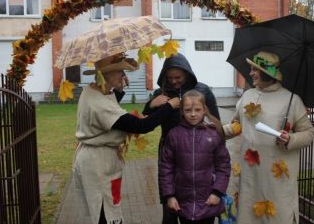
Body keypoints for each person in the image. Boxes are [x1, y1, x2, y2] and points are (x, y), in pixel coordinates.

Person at [72, 53, 180, 224]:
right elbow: (140, 126)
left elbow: (111, 110)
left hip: (95, 159)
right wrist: (170, 105)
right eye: (119, 71)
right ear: (104, 75)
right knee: (105, 213)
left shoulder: (93, 90)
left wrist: (119, 91)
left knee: (106, 208)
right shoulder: (99, 104)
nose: (123, 75)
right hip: (98, 164)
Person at [224, 51, 314, 224]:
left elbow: (309, 133)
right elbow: (237, 125)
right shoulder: (247, 96)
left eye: (255, 69)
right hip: (250, 175)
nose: (250, 73)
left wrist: (291, 139)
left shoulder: (292, 100)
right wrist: (214, 132)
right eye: (251, 69)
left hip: (277, 181)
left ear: (268, 73)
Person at [142, 53, 220, 224]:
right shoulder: (160, 93)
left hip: (199, 155)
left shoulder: (203, 90)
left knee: (197, 204)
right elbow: (147, 122)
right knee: (169, 207)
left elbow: (217, 124)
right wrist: (151, 105)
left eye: (178, 77)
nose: (174, 81)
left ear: (187, 73)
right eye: (170, 78)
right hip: (169, 156)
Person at [160, 90, 231, 224]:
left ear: (204, 110)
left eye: (197, 110)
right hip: (182, 202)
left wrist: (217, 193)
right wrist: (169, 195)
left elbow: (224, 166)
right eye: (188, 110)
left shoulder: (214, 134)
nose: (193, 114)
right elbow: (166, 168)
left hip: (208, 201)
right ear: (181, 111)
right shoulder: (174, 135)